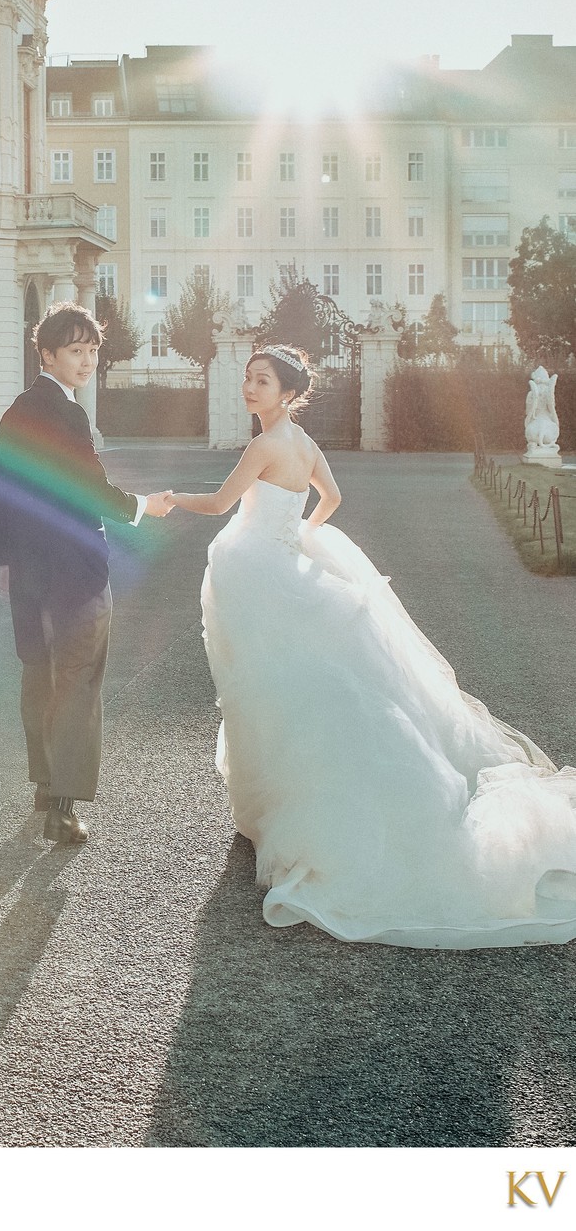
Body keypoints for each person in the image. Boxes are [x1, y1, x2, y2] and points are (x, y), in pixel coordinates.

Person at [170, 343, 576, 948]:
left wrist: (169, 498)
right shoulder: (305, 445)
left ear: (286, 392)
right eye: (248, 378)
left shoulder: (262, 446)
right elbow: (331, 500)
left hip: (257, 576)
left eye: (261, 381)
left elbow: (218, 504)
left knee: (267, 686)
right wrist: (300, 537)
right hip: (283, 566)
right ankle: (281, 806)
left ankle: (286, 810)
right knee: (305, 684)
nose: (249, 389)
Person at [0, 301, 172, 845]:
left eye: (92, 351)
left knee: (38, 676)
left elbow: (4, 490)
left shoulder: (19, 409)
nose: (86, 361)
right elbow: (88, 488)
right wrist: (141, 507)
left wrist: (6, 562)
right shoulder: (67, 414)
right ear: (45, 353)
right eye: (75, 351)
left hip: (31, 572)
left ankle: (45, 786)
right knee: (78, 681)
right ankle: (62, 810)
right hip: (74, 572)